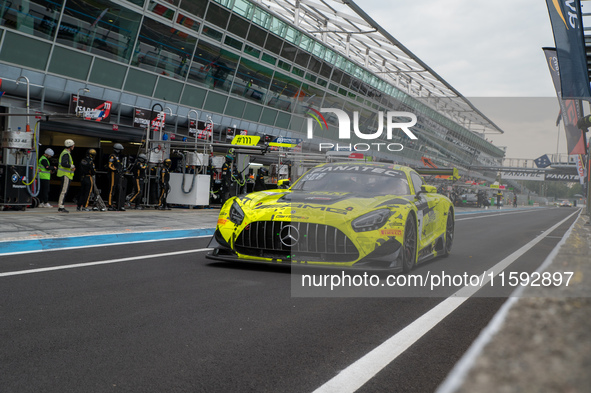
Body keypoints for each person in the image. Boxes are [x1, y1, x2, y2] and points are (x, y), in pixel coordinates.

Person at [57, 139, 76, 213]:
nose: (73, 146)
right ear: (70, 146)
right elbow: (64, 164)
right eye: (73, 145)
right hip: (65, 175)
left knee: (64, 191)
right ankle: (61, 207)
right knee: (63, 191)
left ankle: (61, 206)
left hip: (66, 175)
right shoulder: (65, 153)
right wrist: (72, 166)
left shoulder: (66, 153)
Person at [107, 143, 125, 211]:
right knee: (112, 189)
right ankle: (110, 205)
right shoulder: (112, 156)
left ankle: (118, 205)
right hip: (112, 174)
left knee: (118, 189)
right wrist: (116, 170)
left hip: (118, 175)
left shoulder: (118, 157)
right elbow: (110, 165)